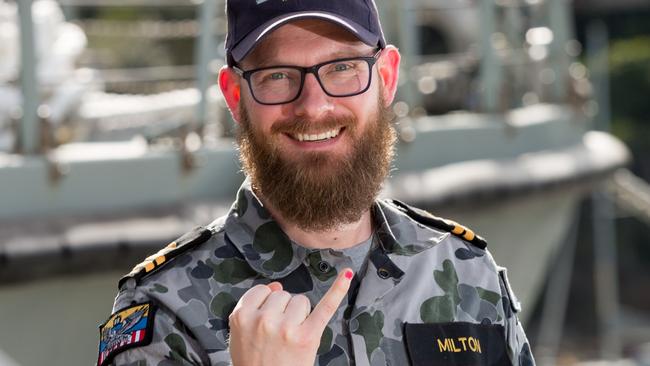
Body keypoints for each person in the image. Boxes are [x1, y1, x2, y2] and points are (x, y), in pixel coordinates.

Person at [97, 0, 536, 365]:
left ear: (385, 78)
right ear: (235, 96)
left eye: (342, 67)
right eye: (278, 76)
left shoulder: (467, 273)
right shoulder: (164, 311)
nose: (314, 106)